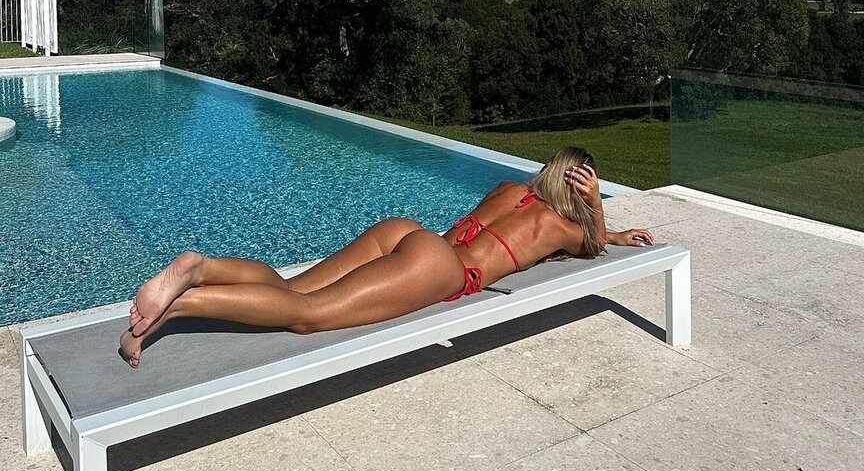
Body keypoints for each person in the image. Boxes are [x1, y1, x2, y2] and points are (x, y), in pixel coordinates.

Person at [120, 145, 654, 367]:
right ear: (578, 186)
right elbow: (591, 245)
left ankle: (202, 267)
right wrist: (598, 209)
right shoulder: (562, 225)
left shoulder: (509, 189)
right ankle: (176, 307)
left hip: (408, 235)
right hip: (441, 268)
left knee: (290, 288)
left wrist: (616, 232)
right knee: (308, 316)